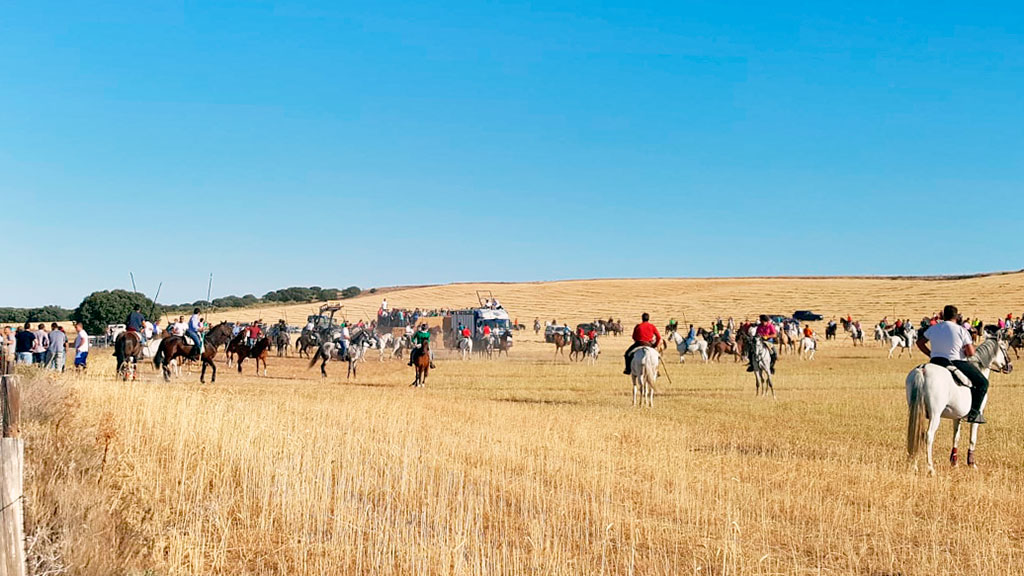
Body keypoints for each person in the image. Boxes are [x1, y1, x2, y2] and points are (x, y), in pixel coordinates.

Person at [917, 305, 988, 424]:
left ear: (943, 316)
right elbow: (971, 353)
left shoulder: (933, 328)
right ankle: (973, 414)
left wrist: (930, 354)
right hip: (956, 362)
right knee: (983, 383)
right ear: (957, 316)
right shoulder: (961, 330)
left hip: (936, 361)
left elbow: (919, 343)